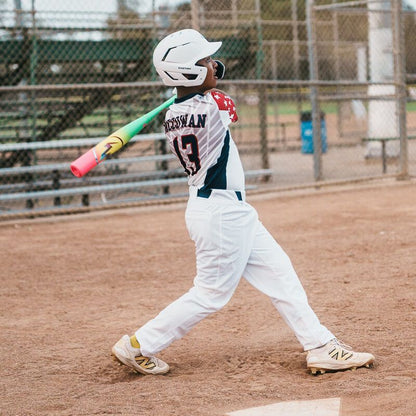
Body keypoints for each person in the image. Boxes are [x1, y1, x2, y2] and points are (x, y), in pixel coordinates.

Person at [112, 29, 375, 376]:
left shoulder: (172, 114)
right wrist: (204, 82)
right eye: (204, 61)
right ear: (186, 71)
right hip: (221, 212)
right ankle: (139, 345)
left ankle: (320, 346)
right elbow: (222, 101)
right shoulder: (216, 104)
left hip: (227, 210)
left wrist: (196, 82)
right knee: (210, 293)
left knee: (281, 274)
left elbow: (202, 94)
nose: (213, 65)